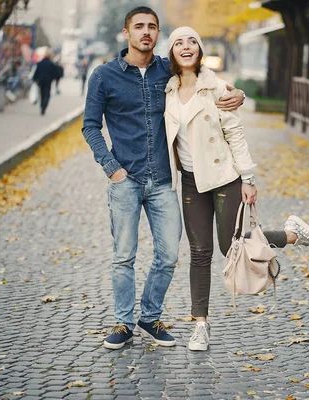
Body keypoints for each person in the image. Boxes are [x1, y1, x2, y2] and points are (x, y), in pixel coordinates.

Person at [81, 7, 244, 350]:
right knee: (123, 256)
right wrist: (112, 167)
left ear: (158, 34)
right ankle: (124, 323)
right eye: (139, 26)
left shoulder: (167, 73)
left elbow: (207, 83)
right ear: (126, 33)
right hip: (125, 180)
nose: (146, 32)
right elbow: (90, 126)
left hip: (165, 181)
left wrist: (238, 94)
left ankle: (150, 316)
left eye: (152, 27)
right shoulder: (104, 75)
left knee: (169, 255)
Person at [164, 27, 309, 352]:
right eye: (178, 42)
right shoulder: (166, 89)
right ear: (171, 52)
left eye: (192, 40)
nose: (186, 46)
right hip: (191, 181)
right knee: (199, 252)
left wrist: (248, 179)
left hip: (223, 177)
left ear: (200, 48)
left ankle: (291, 234)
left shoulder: (218, 87)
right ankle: (201, 326)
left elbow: (235, 134)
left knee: (232, 245)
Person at [32, 48, 61, 115]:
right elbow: (56, 73)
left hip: (41, 81)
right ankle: (44, 107)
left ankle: (42, 106)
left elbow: (37, 72)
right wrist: (56, 79)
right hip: (48, 81)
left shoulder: (40, 63)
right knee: (47, 94)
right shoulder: (51, 64)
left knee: (42, 94)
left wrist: (34, 79)